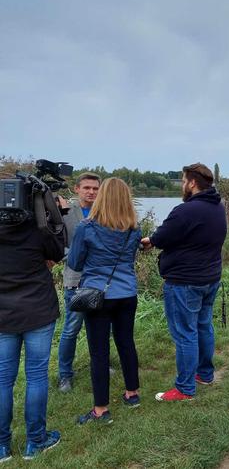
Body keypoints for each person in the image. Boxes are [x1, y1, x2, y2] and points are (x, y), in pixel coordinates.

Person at [141, 163, 227, 400]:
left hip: (185, 282)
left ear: (192, 182)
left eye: (183, 180)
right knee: (203, 326)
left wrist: (150, 240)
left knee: (185, 334)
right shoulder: (218, 207)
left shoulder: (186, 210)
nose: (182, 184)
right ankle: (205, 374)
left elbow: (163, 236)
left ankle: (185, 388)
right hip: (209, 278)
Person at [67, 178, 143, 424]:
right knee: (126, 343)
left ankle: (101, 409)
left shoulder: (86, 227)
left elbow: (75, 263)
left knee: (99, 352)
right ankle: (132, 394)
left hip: (98, 295)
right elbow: (130, 258)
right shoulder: (134, 228)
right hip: (127, 293)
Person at [1, 203, 65, 461]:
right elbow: (58, 252)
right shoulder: (36, 228)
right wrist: (54, 213)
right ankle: (35, 441)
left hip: (3, 314)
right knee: (36, 376)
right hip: (38, 309)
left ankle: (2, 446)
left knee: (3, 379)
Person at [57, 172, 101, 393]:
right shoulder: (65, 213)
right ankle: (65, 374)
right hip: (75, 280)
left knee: (100, 327)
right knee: (71, 329)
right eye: (87, 188)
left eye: (95, 188)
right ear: (77, 189)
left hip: (100, 281)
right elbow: (56, 245)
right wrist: (76, 256)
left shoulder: (104, 212)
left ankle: (100, 364)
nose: (91, 192)